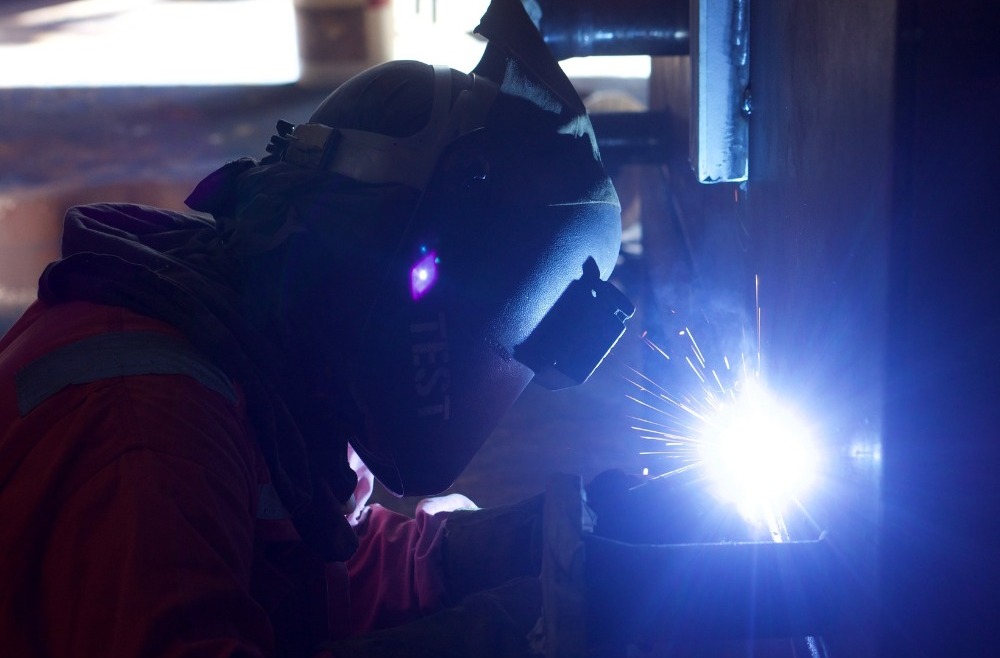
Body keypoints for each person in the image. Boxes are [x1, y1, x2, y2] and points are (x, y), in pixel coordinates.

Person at [0, 0, 635, 656]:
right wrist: (507, 639)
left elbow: (310, 565)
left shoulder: (254, 362)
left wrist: (497, 547)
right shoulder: (147, 430)